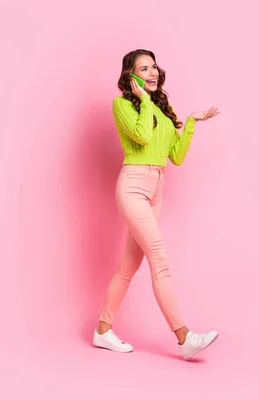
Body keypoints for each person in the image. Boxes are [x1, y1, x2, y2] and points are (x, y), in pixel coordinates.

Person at [93, 49, 220, 360]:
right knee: (159, 259)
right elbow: (141, 137)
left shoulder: (163, 108)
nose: (151, 73)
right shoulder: (121, 104)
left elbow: (175, 157)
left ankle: (102, 331)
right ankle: (184, 336)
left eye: (153, 67)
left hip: (156, 188)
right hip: (134, 185)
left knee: (128, 266)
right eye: (143, 68)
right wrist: (145, 102)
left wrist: (190, 122)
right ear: (130, 76)